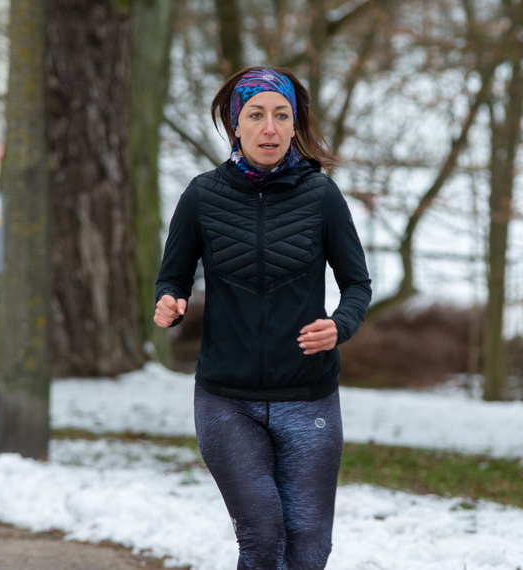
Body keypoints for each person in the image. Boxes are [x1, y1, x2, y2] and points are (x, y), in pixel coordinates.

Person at [153, 67, 372, 570]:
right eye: (256, 116)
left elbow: (357, 285)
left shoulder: (322, 198)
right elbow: (173, 277)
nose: (269, 128)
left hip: (309, 400)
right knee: (263, 537)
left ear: (294, 125)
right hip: (227, 400)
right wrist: (170, 301)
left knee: (309, 549)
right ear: (236, 125)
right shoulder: (202, 196)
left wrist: (340, 325)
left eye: (281, 115)